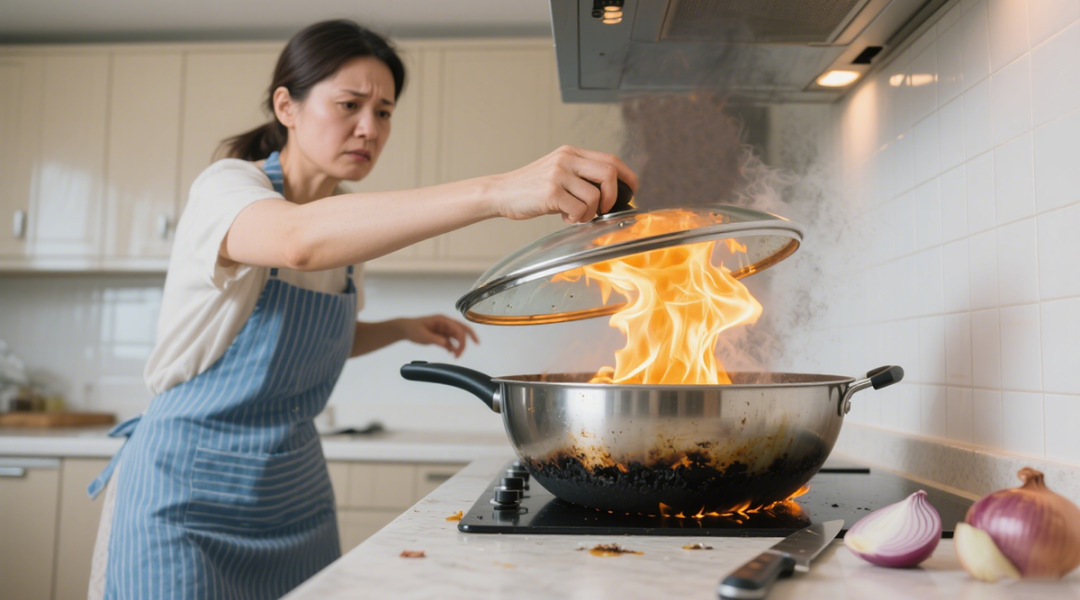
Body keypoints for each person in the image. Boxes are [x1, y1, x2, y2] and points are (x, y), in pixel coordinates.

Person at [84, 18, 637, 600]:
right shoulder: (229, 189)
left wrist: (399, 329)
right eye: (349, 104)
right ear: (286, 106)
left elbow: (312, 335)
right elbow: (296, 241)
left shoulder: (344, 221)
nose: (368, 128)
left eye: (385, 112)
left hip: (290, 492)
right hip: (187, 491)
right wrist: (498, 191)